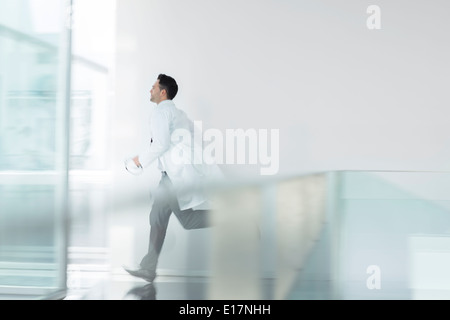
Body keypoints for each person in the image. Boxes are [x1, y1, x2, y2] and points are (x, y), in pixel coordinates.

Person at [123, 74, 222, 283]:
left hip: (173, 178)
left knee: (183, 220)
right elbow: (190, 142)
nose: (150, 90)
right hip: (173, 176)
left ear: (163, 92)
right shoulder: (179, 114)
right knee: (158, 217)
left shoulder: (160, 112)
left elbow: (161, 144)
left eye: (153, 87)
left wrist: (139, 161)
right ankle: (148, 268)